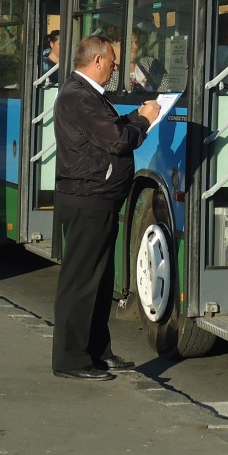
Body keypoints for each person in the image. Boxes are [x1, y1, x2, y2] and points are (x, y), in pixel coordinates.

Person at [51, 34, 159, 381]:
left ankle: (96, 351)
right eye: (112, 61)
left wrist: (135, 116)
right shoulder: (79, 96)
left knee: (99, 281)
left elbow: (108, 129)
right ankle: (71, 359)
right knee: (81, 281)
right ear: (96, 61)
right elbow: (116, 139)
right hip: (88, 198)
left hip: (97, 196)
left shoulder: (85, 95)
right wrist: (145, 121)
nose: (115, 67)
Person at [128, 27, 167, 93]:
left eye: (136, 42)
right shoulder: (113, 73)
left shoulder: (149, 63)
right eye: (130, 43)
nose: (135, 47)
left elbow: (166, 85)